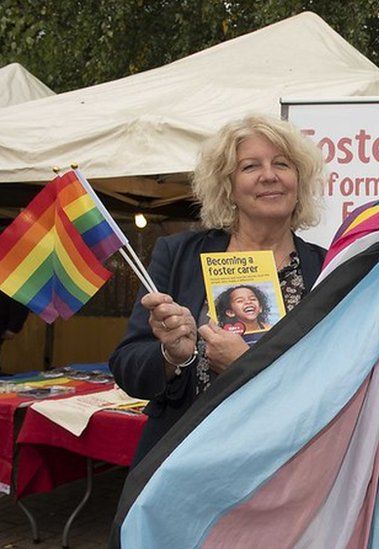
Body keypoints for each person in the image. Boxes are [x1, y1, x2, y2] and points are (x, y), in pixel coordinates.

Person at [110, 114, 327, 464]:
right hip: (189, 465)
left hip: (287, 467)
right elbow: (127, 366)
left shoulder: (328, 269)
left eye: (282, 164)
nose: (269, 175)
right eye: (250, 166)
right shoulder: (178, 255)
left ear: (299, 181)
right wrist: (172, 356)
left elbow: (338, 381)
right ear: (227, 187)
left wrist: (246, 366)